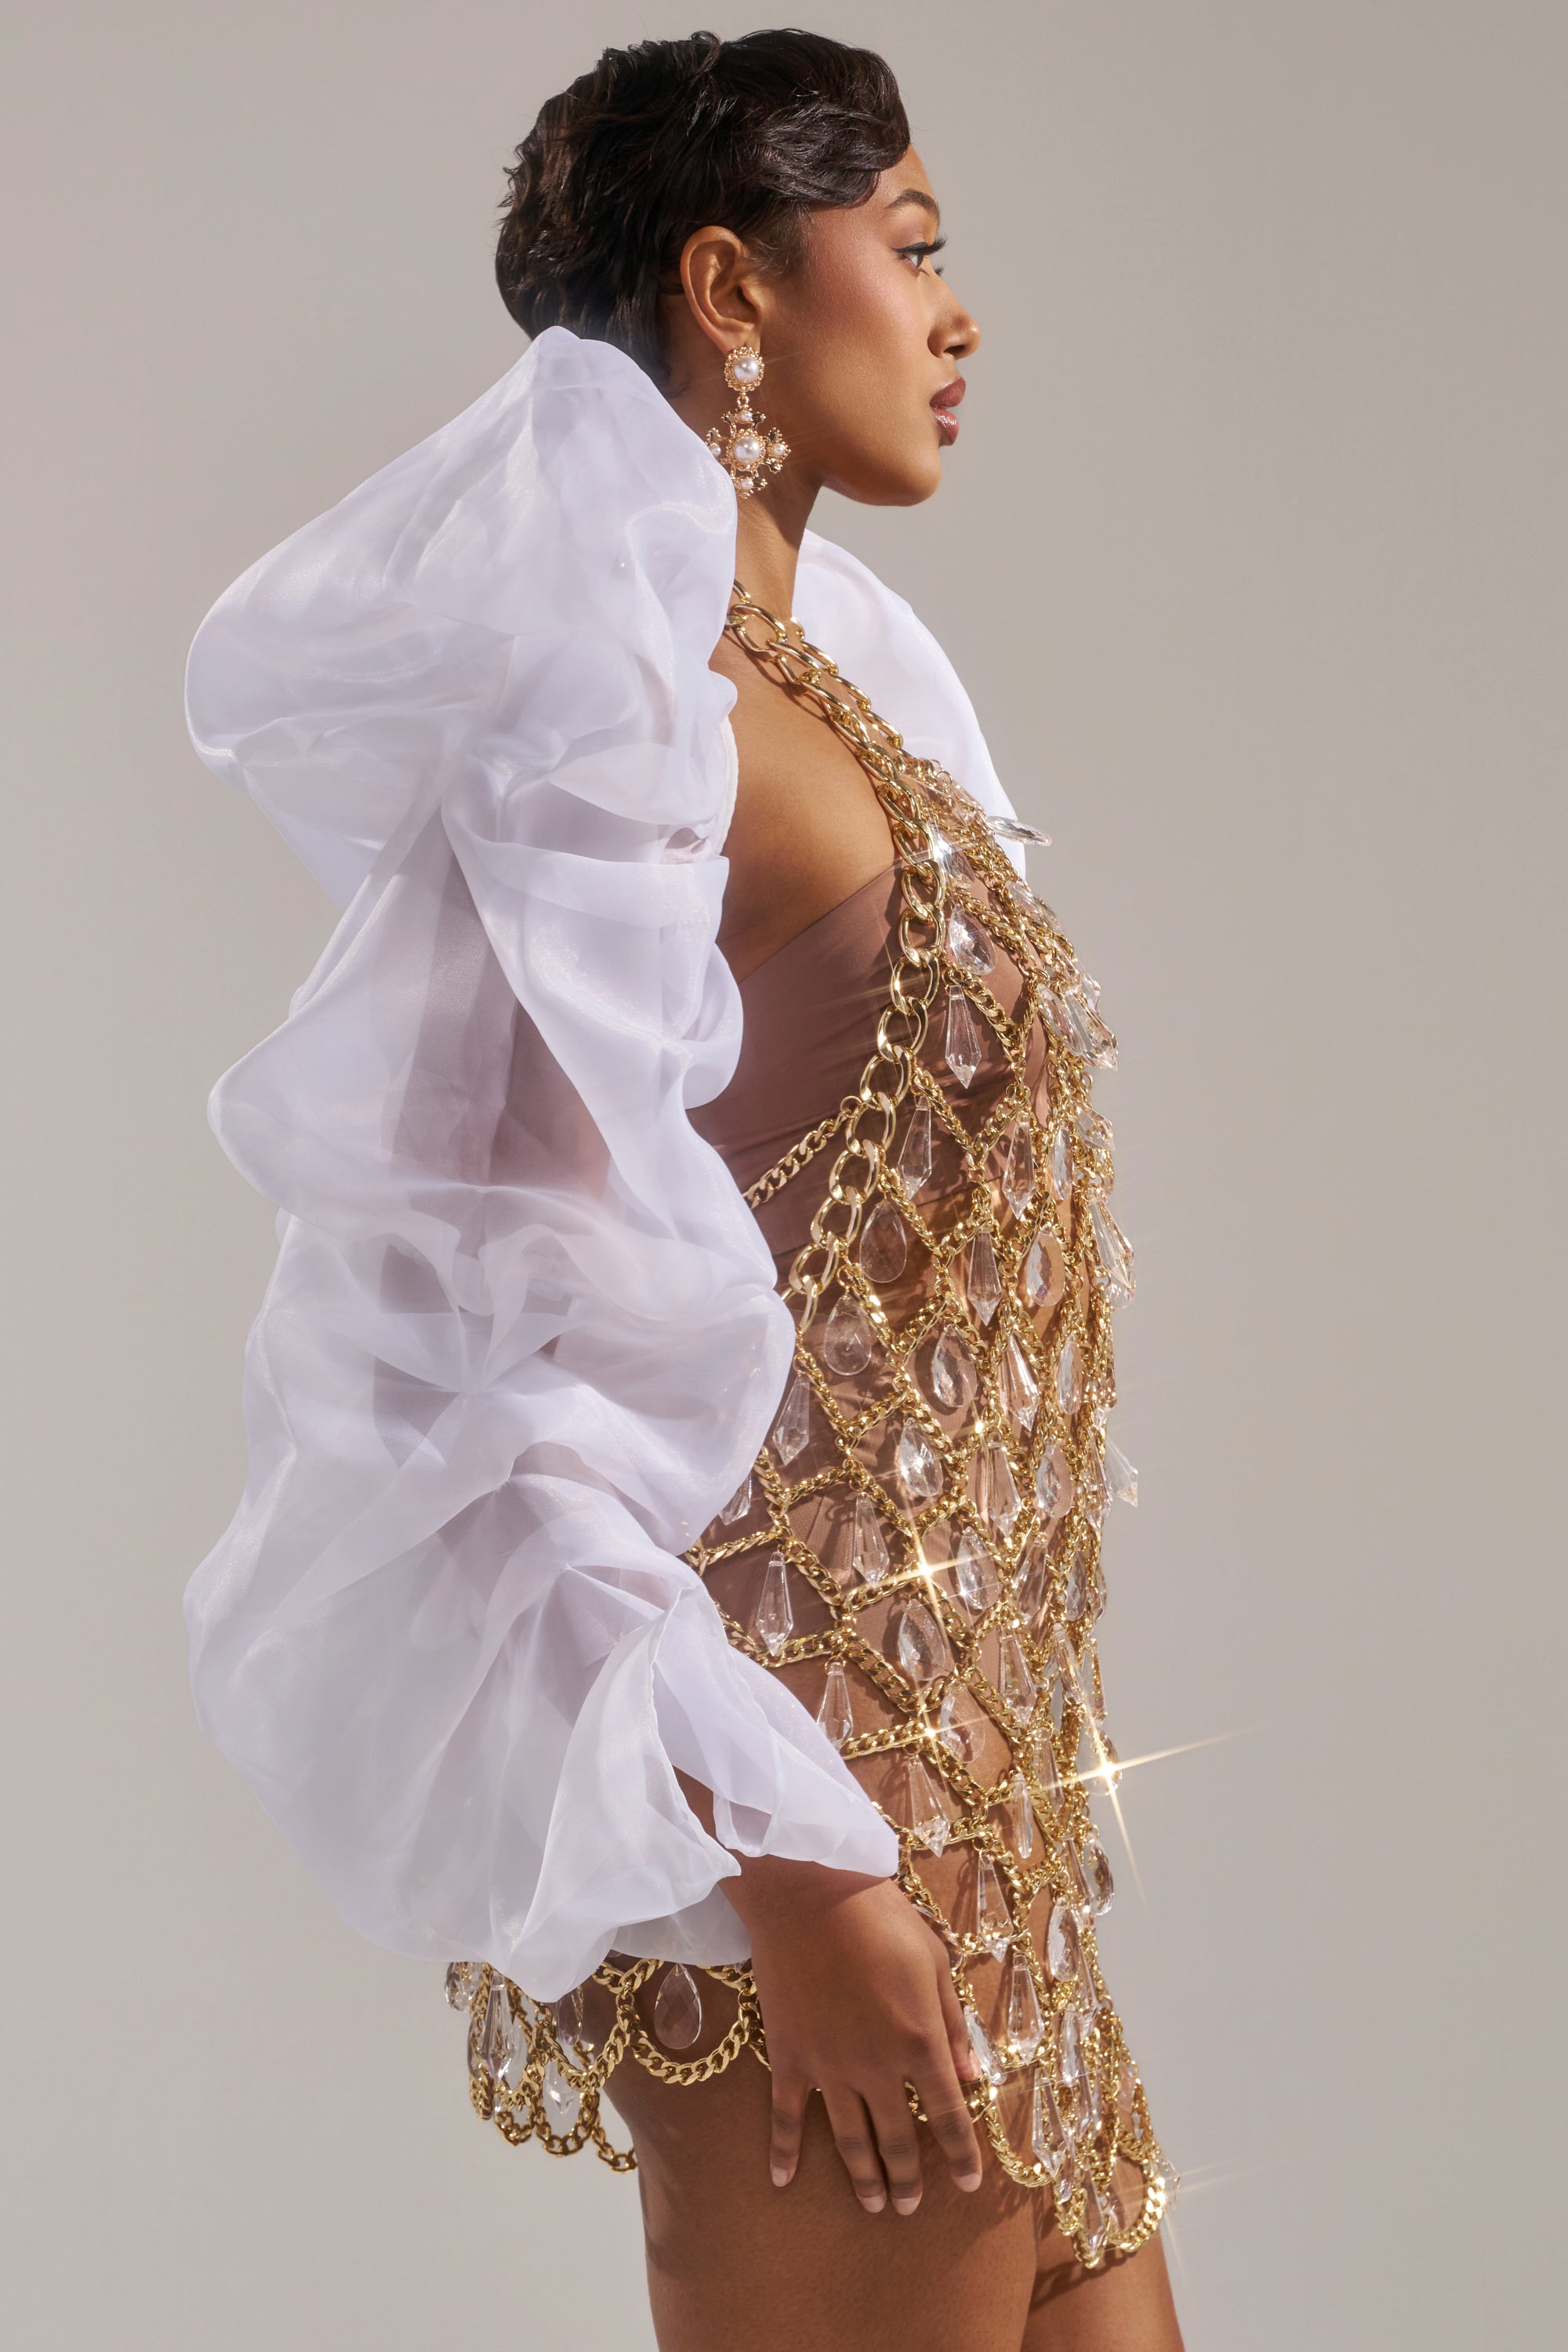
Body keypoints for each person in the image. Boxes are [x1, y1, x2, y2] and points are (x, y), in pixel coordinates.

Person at [184, 29, 1185, 2352]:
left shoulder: (855, 706)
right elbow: (453, 1362)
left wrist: (974, 1801)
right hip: (817, 1857)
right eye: (911, 249)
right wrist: (799, 1869)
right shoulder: (621, 728)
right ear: (732, 289)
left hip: (985, 1823)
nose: (959, 313)